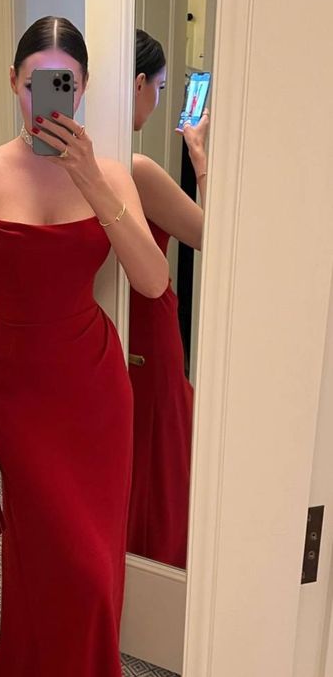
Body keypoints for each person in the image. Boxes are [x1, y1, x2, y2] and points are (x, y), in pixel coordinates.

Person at [0, 16, 168, 677]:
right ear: (15, 81)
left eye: (64, 82)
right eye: (37, 79)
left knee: (94, 584)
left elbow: (152, 280)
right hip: (18, 394)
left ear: (81, 87)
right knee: (56, 574)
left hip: (96, 395)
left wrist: (93, 184)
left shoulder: (108, 172)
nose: (48, 94)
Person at [126, 29, 209, 568]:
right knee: (157, 452)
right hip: (149, 330)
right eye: (158, 87)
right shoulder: (136, 170)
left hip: (106, 329)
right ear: (139, 84)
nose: (157, 101)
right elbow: (212, 235)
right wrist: (199, 157)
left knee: (133, 451)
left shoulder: (74, 165)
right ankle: (156, 569)